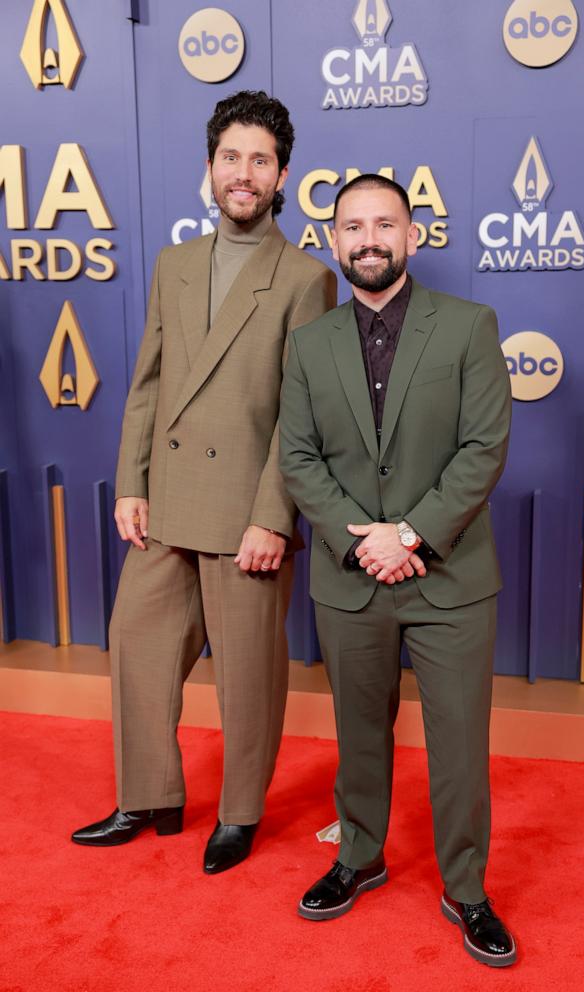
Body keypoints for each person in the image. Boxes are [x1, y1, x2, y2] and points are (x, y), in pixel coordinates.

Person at [71, 91, 336, 874]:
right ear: (209, 169)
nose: (243, 174)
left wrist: (272, 518)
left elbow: (302, 418)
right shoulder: (173, 264)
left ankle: (240, 813)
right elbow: (148, 384)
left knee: (248, 677)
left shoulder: (304, 279)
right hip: (169, 499)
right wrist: (130, 482)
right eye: (231, 158)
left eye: (260, 160)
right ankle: (148, 795)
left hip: (245, 513)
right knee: (137, 644)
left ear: (281, 173)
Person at [279, 174, 515, 966]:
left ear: (411, 236)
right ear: (334, 240)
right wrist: (361, 542)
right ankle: (359, 857)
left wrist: (408, 534)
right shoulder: (309, 343)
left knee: (458, 743)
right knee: (357, 737)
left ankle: (467, 889)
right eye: (352, 227)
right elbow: (298, 457)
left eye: (385, 224)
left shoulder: (469, 326)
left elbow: (483, 447)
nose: (369, 239)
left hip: (448, 578)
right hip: (351, 579)